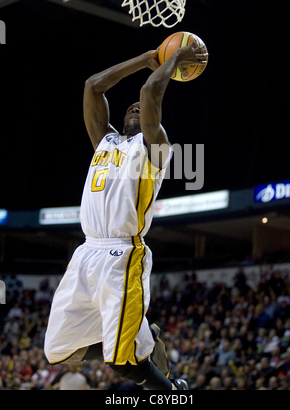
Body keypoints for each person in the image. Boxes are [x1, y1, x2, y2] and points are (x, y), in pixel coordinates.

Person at [44, 40, 208, 391]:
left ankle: (172, 392)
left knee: (122, 362)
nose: (136, 107)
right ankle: (139, 337)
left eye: (140, 109)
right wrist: (145, 59)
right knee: (57, 350)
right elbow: (93, 86)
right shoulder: (105, 141)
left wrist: (175, 57)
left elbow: (150, 92)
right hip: (86, 253)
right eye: (130, 107)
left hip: (123, 253)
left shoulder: (156, 146)